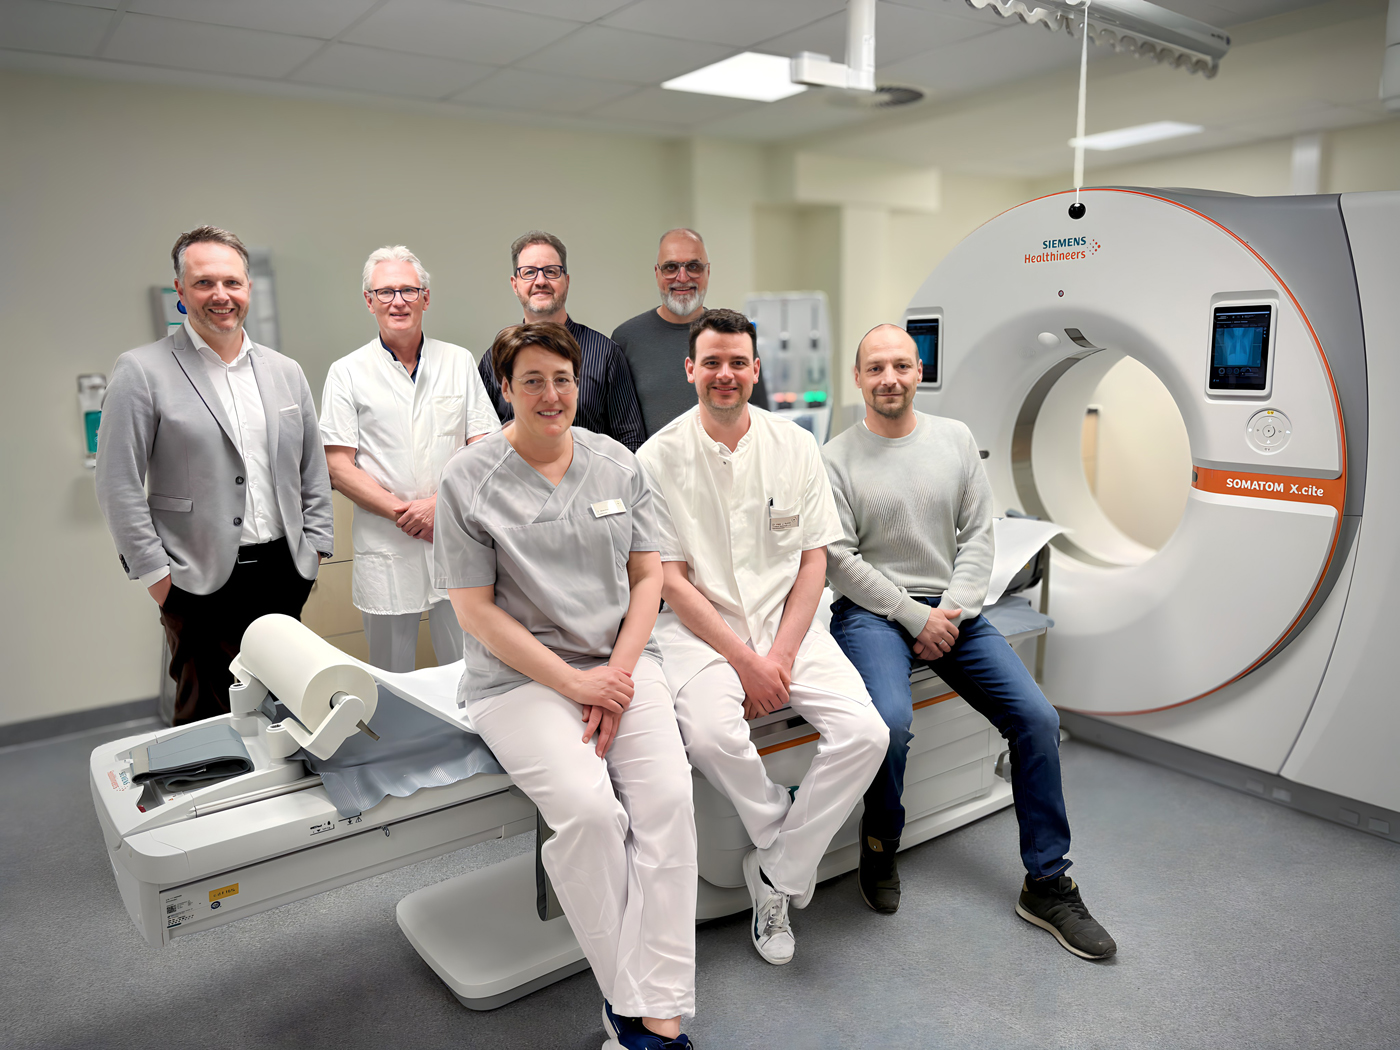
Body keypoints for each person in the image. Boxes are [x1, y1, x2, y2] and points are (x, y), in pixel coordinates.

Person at [436, 322, 696, 1049]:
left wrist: (615, 677)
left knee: (670, 802)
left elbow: (648, 578)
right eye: (532, 381)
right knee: (589, 813)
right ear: (505, 388)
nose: (551, 395)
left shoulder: (616, 463)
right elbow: (474, 610)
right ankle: (632, 1001)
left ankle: (655, 1009)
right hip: (519, 679)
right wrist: (578, 684)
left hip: (621, 662)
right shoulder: (468, 479)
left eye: (563, 380)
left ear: (579, 384)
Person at [823, 323, 1117, 960]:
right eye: (876, 368)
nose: (890, 379)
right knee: (889, 723)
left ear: (918, 371)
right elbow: (840, 561)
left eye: (901, 366)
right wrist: (915, 618)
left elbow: (979, 535)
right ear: (858, 378)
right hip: (873, 613)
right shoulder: (835, 456)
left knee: (1038, 720)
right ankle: (880, 843)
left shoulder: (954, 439)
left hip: (954, 610)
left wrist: (951, 612)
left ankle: (1047, 883)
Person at [635, 307, 888, 967]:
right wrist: (746, 662)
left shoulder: (795, 445)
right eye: (711, 362)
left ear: (755, 370)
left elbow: (814, 560)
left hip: (789, 624)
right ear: (690, 369)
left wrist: (776, 655)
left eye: (736, 362)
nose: (725, 374)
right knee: (712, 737)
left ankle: (774, 871)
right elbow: (671, 580)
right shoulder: (656, 458)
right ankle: (783, 836)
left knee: (868, 734)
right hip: (701, 631)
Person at [96, 226, 333, 725]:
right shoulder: (141, 371)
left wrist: (315, 548)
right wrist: (159, 579)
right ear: (181, 291)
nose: (220, 295)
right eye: (204, 282)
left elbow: (311, 466)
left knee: (286, 713)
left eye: (232, 282)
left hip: (284, 571)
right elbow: (117, 483)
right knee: (211, 724)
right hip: (197, 580)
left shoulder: (285, 371)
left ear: (249, 288)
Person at [320, 245, 499, 673]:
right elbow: (338, 466)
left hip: (452, 535)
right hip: (387, 542)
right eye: (385, 292)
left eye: (408, 290)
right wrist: (407, 515)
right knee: (390, 670)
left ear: (426, 298)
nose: (397, 301)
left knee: (468, 666)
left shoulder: (457, 361)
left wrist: (440, 508)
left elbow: (485, 448)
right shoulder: (347, 372)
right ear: (369, 301)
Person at [478, 230, 645, 451]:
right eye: (529, 272)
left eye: (551, 271)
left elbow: (630, 441)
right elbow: (482, 444)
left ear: (566, 281)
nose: (540, 281)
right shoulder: (495, 359)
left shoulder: (606, 354)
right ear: (515, 284)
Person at [611, 228, 769, 438]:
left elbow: (761, 418)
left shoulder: (735, 336)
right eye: (671, 267)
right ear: (657, 273)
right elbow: (618, 426)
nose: (683, 277)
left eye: (693, 267)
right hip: (650, 459)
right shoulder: (627, 339)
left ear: (708, 272)